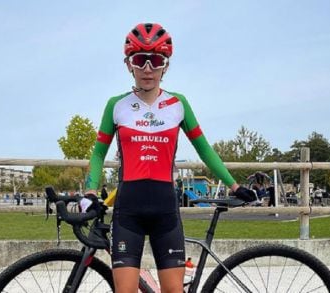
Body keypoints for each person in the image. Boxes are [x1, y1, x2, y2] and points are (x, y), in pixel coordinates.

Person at [84, 22, 256, 293]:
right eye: (140, 60)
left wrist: (235, 186)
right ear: (129, 64)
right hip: (128, 211)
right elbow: (98, 153)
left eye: (156, 60)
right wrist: (90, 190)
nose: (148, 69)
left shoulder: (179, 104)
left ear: (166, 65)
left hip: (165, 210)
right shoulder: (116, 105)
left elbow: (204, 149)